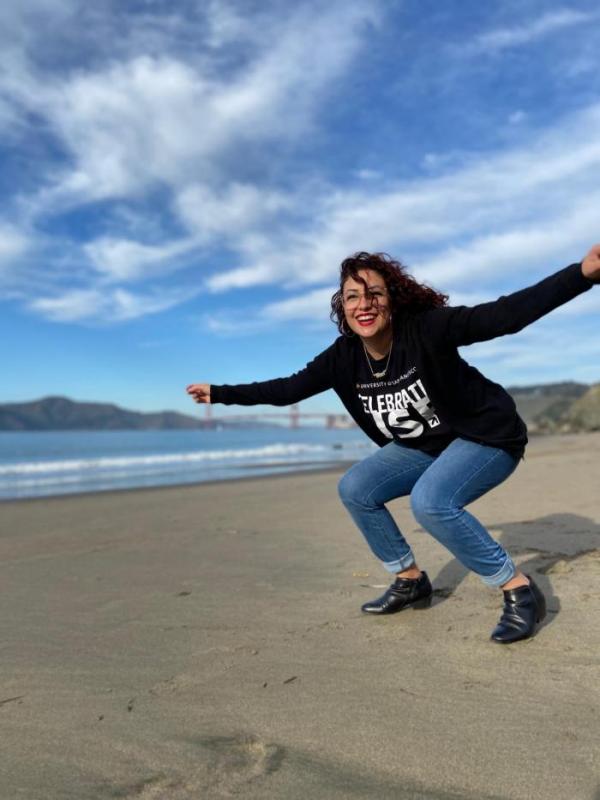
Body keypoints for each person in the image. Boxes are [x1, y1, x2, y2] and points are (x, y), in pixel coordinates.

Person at [187, 244, 600, 644]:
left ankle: (518, 588)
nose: (363, 304)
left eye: (374, 294)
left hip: (486, 436)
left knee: (431, 502)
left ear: (393, 300)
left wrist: (581, 275)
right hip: (426, 447)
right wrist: (221, 393)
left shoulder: (426, 330)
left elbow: (504, 316)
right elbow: (287, 389)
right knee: (356, 488)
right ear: (342, 308)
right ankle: (409, 580)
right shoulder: (343, 357)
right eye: (352, 297)